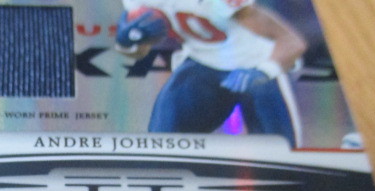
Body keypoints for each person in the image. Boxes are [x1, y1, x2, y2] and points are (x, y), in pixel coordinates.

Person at [116, 0, 307, 147]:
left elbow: (291, 42)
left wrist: (264, 71)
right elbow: (138, 51)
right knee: (161, 142)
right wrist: (127, 42)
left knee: (280, 152)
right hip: (203, 64)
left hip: (254, 68)